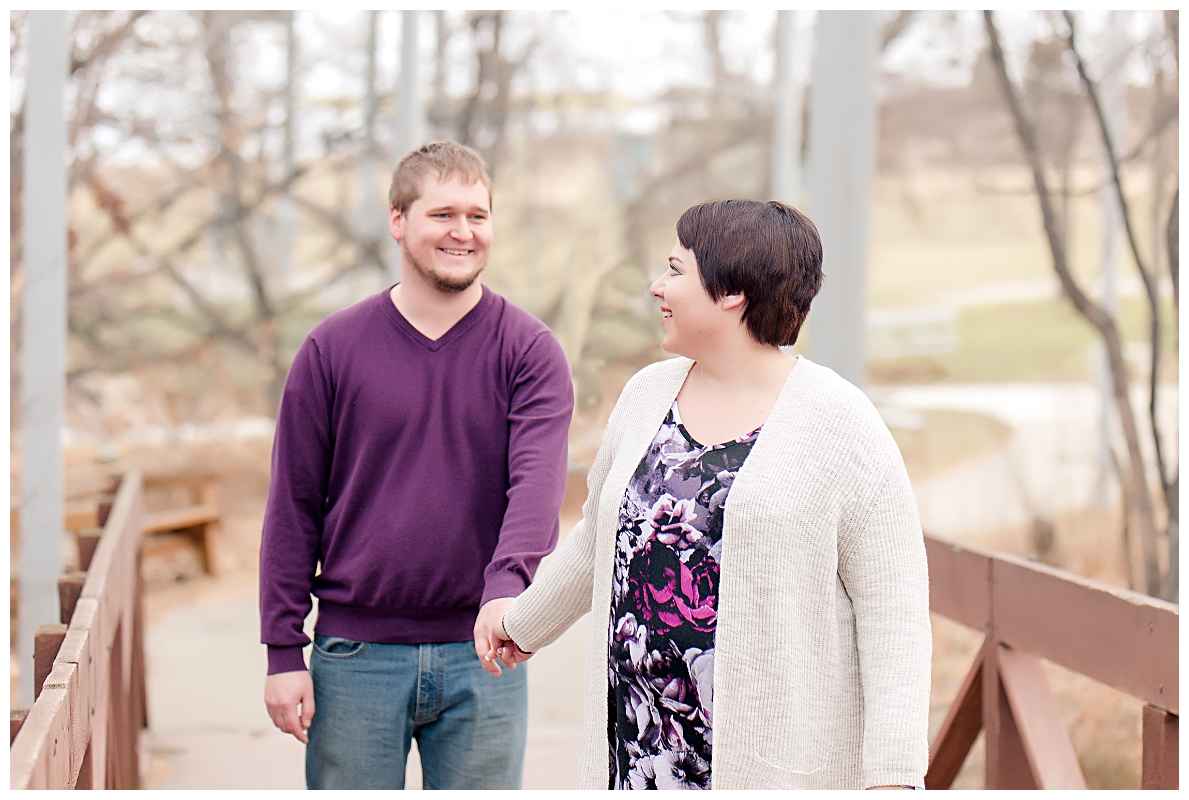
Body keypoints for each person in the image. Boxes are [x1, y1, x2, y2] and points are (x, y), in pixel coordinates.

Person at [478, 199, 932, 790]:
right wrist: (523, 623)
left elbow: (893, 613)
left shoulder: (840, 423)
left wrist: (894, 777)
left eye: (674, 270)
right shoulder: (646, 395)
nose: (655, 287)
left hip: (768, 769)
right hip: (636, 755)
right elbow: (600, 534)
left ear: (731, 292)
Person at [259, 140, 574, 790]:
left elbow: (536, 492)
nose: (463, 232)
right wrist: (282, 650)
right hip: (354, 658)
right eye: (442, 214)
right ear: (398, 220)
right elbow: (292, 506)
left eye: (478, 215)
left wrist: (505, 595)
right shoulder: (332, 349)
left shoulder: (529, 351)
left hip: (483, 651)